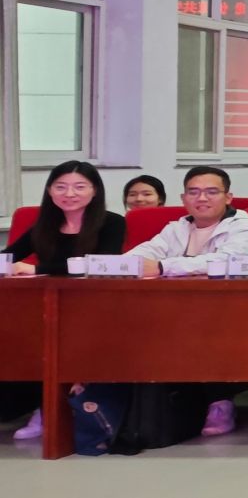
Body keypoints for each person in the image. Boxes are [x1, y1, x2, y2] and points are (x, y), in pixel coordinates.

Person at [115, 167, 248, 437]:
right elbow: (143, 254)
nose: (202, 198)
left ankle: (220, 402)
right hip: (174, 311)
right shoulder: (176, 228)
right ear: (183, 198)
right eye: (194, 192)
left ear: (228, 197)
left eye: (211, 192)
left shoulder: (244, 228)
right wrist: (121, 265)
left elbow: (223, 261)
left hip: (231, 311)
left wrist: (163, 267)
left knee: (203, 328)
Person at [4, 162, 127, 440]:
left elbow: (100, 263)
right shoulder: (44, 225)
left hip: (95, 307)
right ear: (50, 191)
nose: (69, 194)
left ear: (94, 191)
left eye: (79, 186)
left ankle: (54, 408)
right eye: (61, 187)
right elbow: (9, 256)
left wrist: (37, 269)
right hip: (47, 306)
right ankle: (38, 404)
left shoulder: (112, 222)